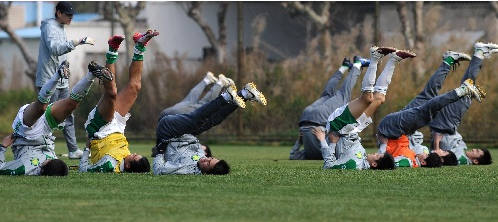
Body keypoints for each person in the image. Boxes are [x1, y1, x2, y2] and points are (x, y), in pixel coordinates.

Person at [0, 59, 106, 176]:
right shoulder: (54, 165)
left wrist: (3, 146)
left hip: (25, 133)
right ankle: (91, 74)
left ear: (42, 170)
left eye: (49, 160)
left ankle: (57, 76)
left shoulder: (24, 168)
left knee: (41, 108)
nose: (50, 158)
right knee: (71, 105)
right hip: (46, 129)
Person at [375, 62, 485, 168]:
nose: (440, 151)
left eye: (443, 152)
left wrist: (384, 144)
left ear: (424, 162)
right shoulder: (417, 156)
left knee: (428, 105)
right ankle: (456, 75)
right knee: (428, 101)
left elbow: (383, 160)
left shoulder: (409, 160)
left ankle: (463, 89)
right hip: (400, 130)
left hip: (390, 129)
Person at [78, 30, 158, 173]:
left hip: (100, 131)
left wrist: (86, 149)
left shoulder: (109, 165)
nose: (132, 153)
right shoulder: (127, 159)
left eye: (134, 156)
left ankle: (112, 49)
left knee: (112, 94)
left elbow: (83, 170)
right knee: (135, 87)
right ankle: (140, 45)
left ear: (127, 166)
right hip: (117, 128)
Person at [321, 46, 414, 170]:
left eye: (377, 155)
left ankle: (374, 57)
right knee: (380, 99)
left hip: (339, 128)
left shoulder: (354, 164)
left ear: (374, 164)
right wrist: (383, 147)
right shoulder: (364, 160)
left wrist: (331, 144)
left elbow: (328, 167)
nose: (375, 153)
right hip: (353, 129)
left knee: (367, 99)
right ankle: (394, 59)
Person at [153, 82, 267, 175]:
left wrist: (160, 150)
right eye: (210, 159)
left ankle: (226, 96)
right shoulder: (201, 156)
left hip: (167, 132)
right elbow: (193, 144)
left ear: (206, 173)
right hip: (183, 133)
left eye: (208, 164)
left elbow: (158, 171)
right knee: (213, 121)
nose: (205, 159)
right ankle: (245, 94)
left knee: (196, 122)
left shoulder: (187, 169)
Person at [36, 1, 95, 159]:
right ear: (58, 13)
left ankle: (73, 150)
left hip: (62, 80)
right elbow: (55, 49)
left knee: (68, 114)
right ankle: (44, 151)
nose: (71, 17)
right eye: (68, 14)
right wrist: (77, 42)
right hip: (49, 81)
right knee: (47, 117)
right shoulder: (49, 27)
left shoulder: (60, 28)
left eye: (72, 15)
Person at [426, 42, 496, 166]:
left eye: (477, 152)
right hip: (448, 123)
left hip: (445, 124)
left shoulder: (461, 160)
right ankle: (478, 54)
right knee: (466, 86)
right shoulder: (462, 154)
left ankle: (478, 53)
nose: (474, 149)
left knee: (467, 88)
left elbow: (439, 153)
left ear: (475, 161)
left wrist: (436, 144)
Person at [289, 57, 364, 160]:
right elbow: (292, 155)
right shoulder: (309, 155)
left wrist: (322, 140)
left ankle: (357, 65)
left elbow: (328, 154)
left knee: (343, 95)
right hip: (304, 119)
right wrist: (299, 140)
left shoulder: (329, 155)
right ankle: (344, 67)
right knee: (326, 95)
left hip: (320, 120)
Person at [151, 72, 235, 157]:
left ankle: (221, 82)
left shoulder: (183, 146)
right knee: (190, 99)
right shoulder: (173, 143)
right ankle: (206, 80)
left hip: (175, 117)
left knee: (204, 104)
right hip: (165, 115)